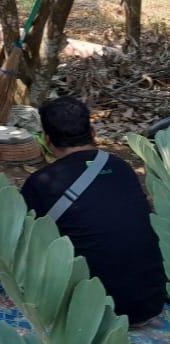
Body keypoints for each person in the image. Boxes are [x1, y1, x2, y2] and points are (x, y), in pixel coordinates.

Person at [20, 96, 166, 326]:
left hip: (94, 311)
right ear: (93, 131)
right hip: (149, 303)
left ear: (47, 140)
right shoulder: (122, 168)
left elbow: (23, 242)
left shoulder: (41, 183)